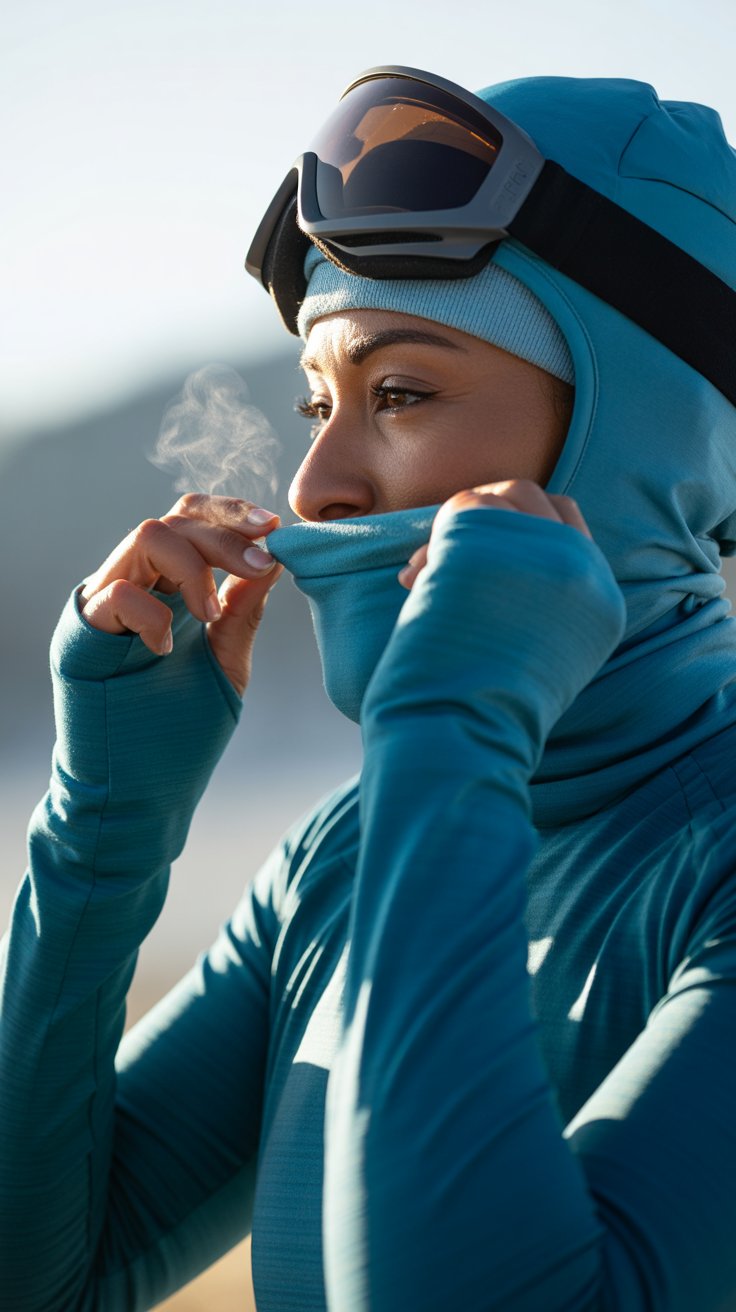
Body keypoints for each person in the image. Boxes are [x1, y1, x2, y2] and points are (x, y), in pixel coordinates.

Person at [2, 65, 736, 1312]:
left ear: (635, 444)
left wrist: (448, 727)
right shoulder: (340, 863)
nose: (314, 488)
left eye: (399, 393)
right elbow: (39, 1281)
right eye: (316, 402)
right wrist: (102, 833)